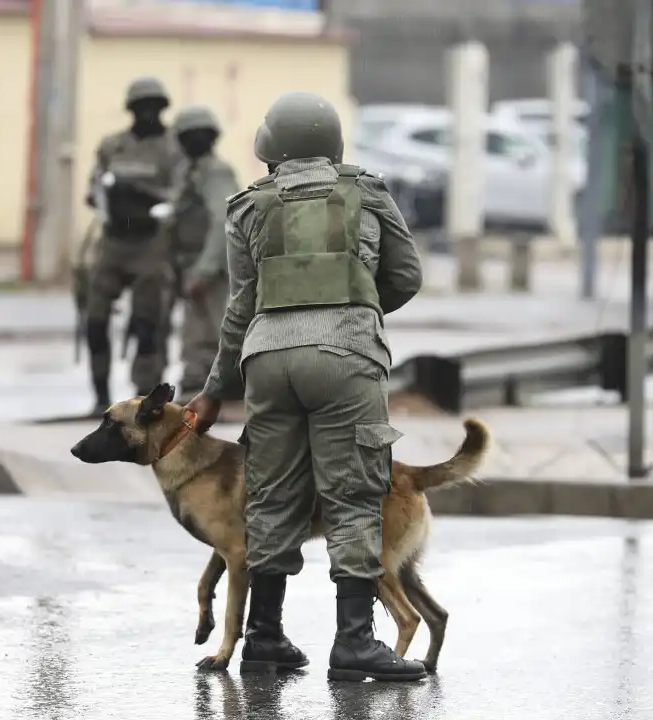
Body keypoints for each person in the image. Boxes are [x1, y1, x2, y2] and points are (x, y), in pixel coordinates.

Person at [185, 92, 427, 682]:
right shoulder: (367, 191)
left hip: (267, 361)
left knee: (270, 495)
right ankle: (353, 643)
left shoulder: (247, 207)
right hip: (347, 356)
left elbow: (240, 307)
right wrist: (359, 308)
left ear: (275, 148)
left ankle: (264, 638)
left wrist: (214, 390)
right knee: (352, 495)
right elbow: (406, 275)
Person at [83, 76, 185, 413]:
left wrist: (145, 196)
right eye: (140, 107)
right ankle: (99, 394)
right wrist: (106, 194)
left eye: (153, 108)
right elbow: (94, 188)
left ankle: (145, 395)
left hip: (150, 243)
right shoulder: (113, 146)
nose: (146, 114)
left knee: (148, 323)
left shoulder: (173, 149)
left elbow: (179, 196)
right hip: (113, 241)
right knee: (95, 319)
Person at [165, 106, 241, 404]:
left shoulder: (216, 172)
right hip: (188, 261)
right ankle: (200, 381)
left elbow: (223, 221)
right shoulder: (188, 172)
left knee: (208, 328)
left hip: (211, 264)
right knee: (196, 326)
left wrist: (205, 270)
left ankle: (207, 384)